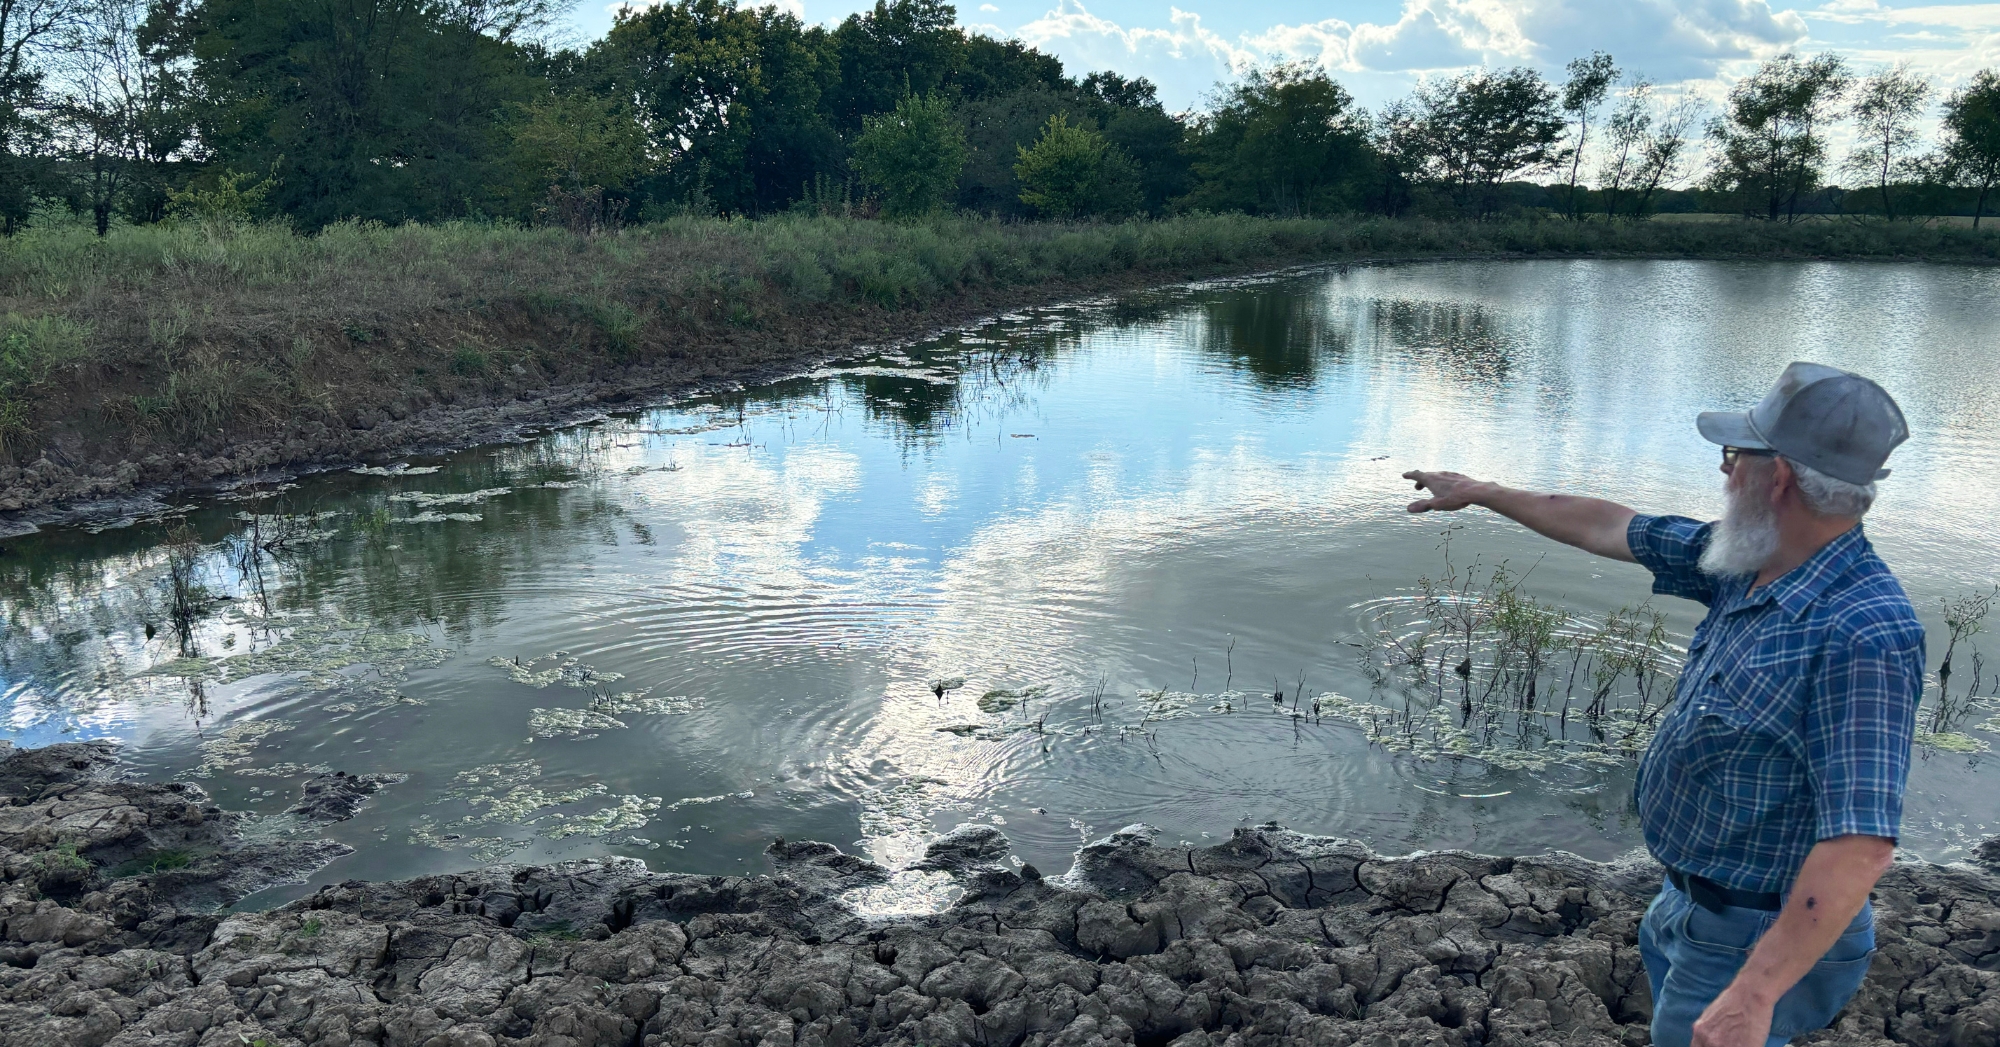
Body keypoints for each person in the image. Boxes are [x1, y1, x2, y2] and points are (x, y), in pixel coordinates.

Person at [1401, 362, 1922, 1047]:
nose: (1725, 473)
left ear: (1780, 478)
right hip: (1690, 904)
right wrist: (1482, 491)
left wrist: (1755, 992)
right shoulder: (1749, 560)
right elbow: (1609, 526)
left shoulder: (1863, 631)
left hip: (1757, 933)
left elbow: (1858, 845)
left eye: (1734, 457)